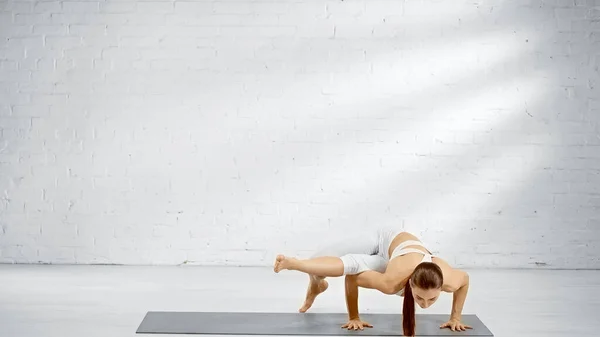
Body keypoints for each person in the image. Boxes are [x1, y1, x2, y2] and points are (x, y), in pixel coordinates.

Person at [273, 228, 472, 337]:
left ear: (440, 288)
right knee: (320, 259)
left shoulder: (447, 279)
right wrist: (354, 317)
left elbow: (464, 280)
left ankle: (314, 281)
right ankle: (300, 268)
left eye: (432, 300)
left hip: (397, 258)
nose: (425, 305)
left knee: (332, 265)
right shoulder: (391, 281)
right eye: (420, 297)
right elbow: (352, 278)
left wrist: (455, 317)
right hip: (384, 242)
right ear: (410, 283)